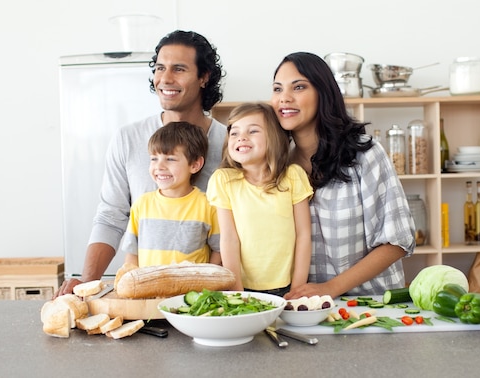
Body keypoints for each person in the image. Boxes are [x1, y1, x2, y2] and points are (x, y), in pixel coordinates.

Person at [55, 30, 226, 297]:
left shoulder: (230, 142)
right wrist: (87, 282)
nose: (165, 79)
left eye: (179, 69)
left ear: (204, 77)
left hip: (207, 298)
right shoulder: (128, 138)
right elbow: (111, 216)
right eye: (160, 68)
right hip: (146, 297)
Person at [270, 52, 416, 299]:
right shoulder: (278, 166)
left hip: (370, 303)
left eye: (299, 87)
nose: (284, 98)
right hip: (305, 307)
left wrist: (331, 288)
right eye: (277, 89)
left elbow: (397, 241)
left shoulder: (365, 153)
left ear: (323, 94)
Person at [206, 102, 313, 297]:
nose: (241, 138)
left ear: (273, 137)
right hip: (244, 288)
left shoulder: (293, 175)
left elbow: (304, 235)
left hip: (288, 287)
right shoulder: (223, 180)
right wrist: (236, 290)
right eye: (234, 133)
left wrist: (298, 288)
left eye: (252, 131)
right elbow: (228, 239)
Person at [120, 121, 222, 267]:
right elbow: (131, 253)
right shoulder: (142, 204)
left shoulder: (208, 205)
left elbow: (219, 249)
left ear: (194, 165)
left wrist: (210, 279)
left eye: (170, 159)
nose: (159, 166)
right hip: (149, 288)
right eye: (154, 159)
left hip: (192, 289)